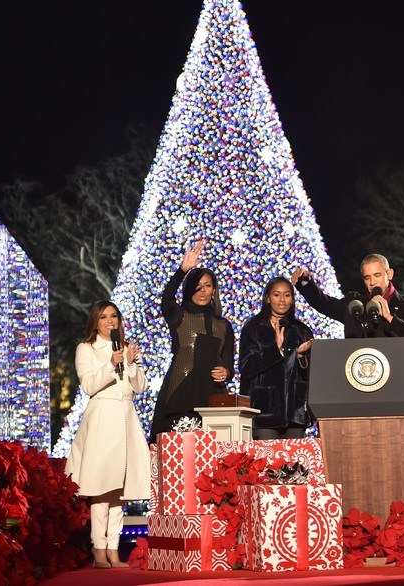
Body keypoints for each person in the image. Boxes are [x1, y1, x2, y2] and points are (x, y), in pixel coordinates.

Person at [64, 301, 151, 569]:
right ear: (95, 321)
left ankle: (113, 548)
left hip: (125, 418)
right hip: (102, 419)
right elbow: (89, 385)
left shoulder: (125, 348)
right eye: (104, 317)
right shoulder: (86, 348)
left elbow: (140, 386)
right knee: (101, 489)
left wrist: (132, 363)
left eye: (114, 316)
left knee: (119, 493)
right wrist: (113, 364)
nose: (110, 321)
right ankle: (98, 548)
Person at [148, 238, 235, 443]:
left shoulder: (223, 326)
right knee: (178, 456)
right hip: (181, 395)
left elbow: (228, 363)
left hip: (213, 400)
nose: (202, 291)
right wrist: (183, 270)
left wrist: (227, 373)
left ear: (214, 290)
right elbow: (166, 299)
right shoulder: (179, 316)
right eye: (197, 286)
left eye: (207, 286)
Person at [291, 253, 404, 351]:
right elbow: (324, 304)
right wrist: (305, 284)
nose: (372, 282)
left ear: (389, 274)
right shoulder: (355, 304)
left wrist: (390, 318)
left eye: (377, 275)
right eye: (367, 277)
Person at [239, 276, 314, 439]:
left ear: (293, 300)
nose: (282, 300)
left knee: (294, 463)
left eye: (287, 295)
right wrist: (275, 350)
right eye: (276, 294)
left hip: (295, 413)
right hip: (264, 413)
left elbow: (313, 375)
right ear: (267, 298)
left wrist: (301, 357)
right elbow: (246, 368)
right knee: (268, 463)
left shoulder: (301, 330)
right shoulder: (253, 328)